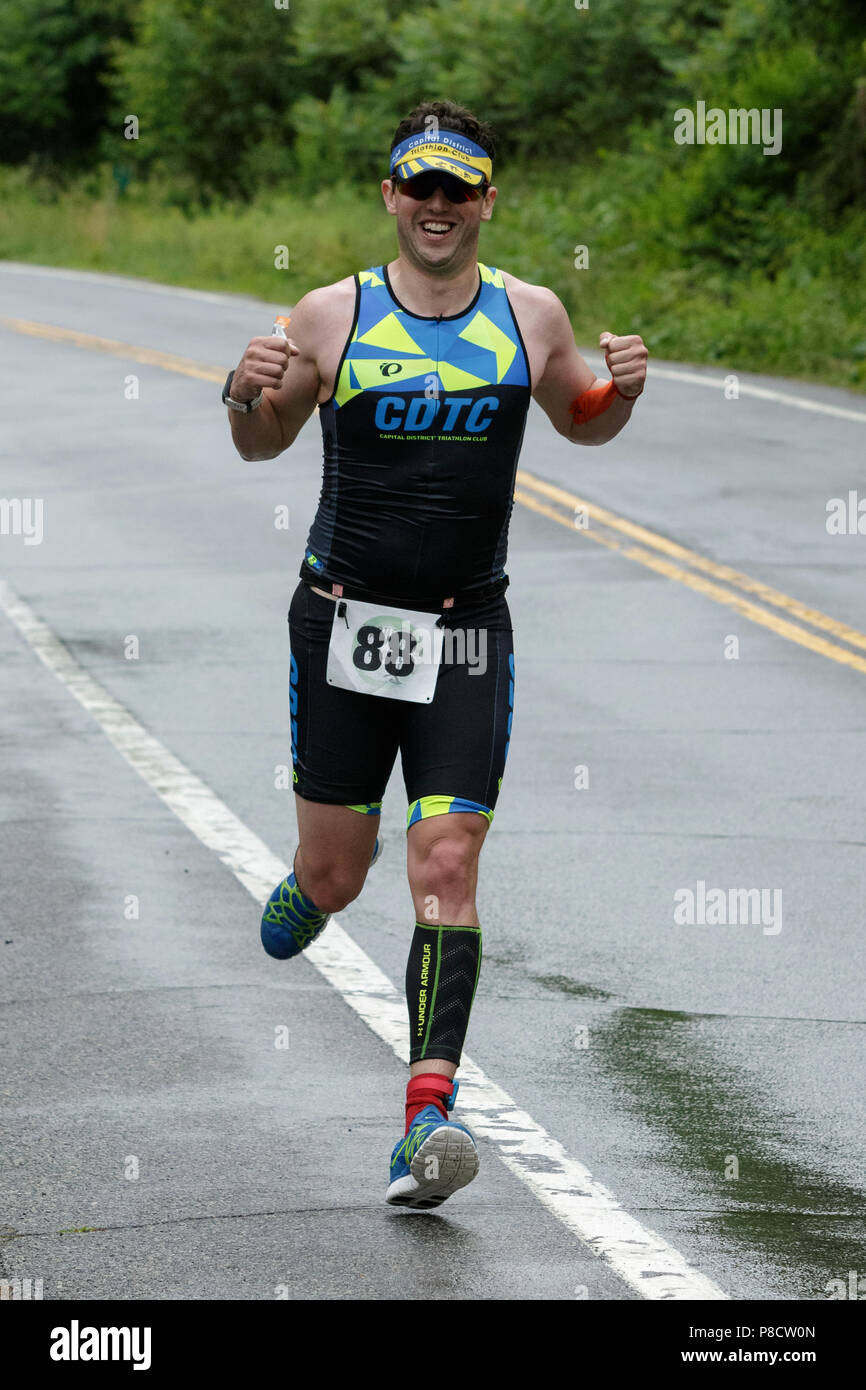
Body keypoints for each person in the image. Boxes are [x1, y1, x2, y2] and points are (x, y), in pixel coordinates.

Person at [223, 99, 647, 1209]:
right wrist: (243, 388)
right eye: (419, 187)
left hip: (466, 627)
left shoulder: (529, 312)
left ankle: (425, 1119)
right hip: (346, 620)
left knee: (446, 857)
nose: (437, 207)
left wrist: (620, 392)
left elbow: (580, 418)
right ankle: (314, 888)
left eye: (459, 189)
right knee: (339, 869)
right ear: (389, 196)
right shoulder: (332, 314)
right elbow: (261, 440)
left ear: (487, 201)